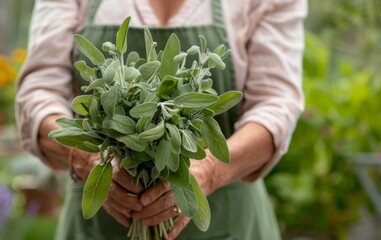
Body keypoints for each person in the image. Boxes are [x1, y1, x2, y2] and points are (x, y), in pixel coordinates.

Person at [16, 0, 307, 239]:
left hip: (228, 222)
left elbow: (276, 104)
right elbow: (38, 93)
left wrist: (208, 171)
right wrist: (88, 160)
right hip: (99, 226)